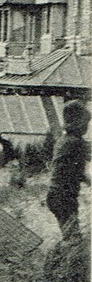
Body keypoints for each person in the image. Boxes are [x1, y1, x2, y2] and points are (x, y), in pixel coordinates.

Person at [47, 100, 89, 238]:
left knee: (70, 234)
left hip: (56, 194)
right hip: (64, 196)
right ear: (78, 123)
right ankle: (63, 258)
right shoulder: (76, 142)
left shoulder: (63, 140)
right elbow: (82, 169)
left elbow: (77, 170)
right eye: (86, 123)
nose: (87, 127)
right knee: (73, 237)